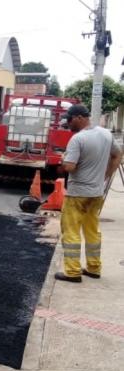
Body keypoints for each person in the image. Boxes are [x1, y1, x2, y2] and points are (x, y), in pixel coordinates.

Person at [55, 104, 123, 282]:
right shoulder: (106, 134)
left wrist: (63, 160)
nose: (67, 124)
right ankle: (94, 268)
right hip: (96, 193)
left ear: (79, 117)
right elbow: (118, 155)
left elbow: (70, 167)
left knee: (71, 231)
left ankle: (72, 272)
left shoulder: (78, 139)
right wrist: (106, 176)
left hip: (77, 194)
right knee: (92, 231)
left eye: (69, 120)